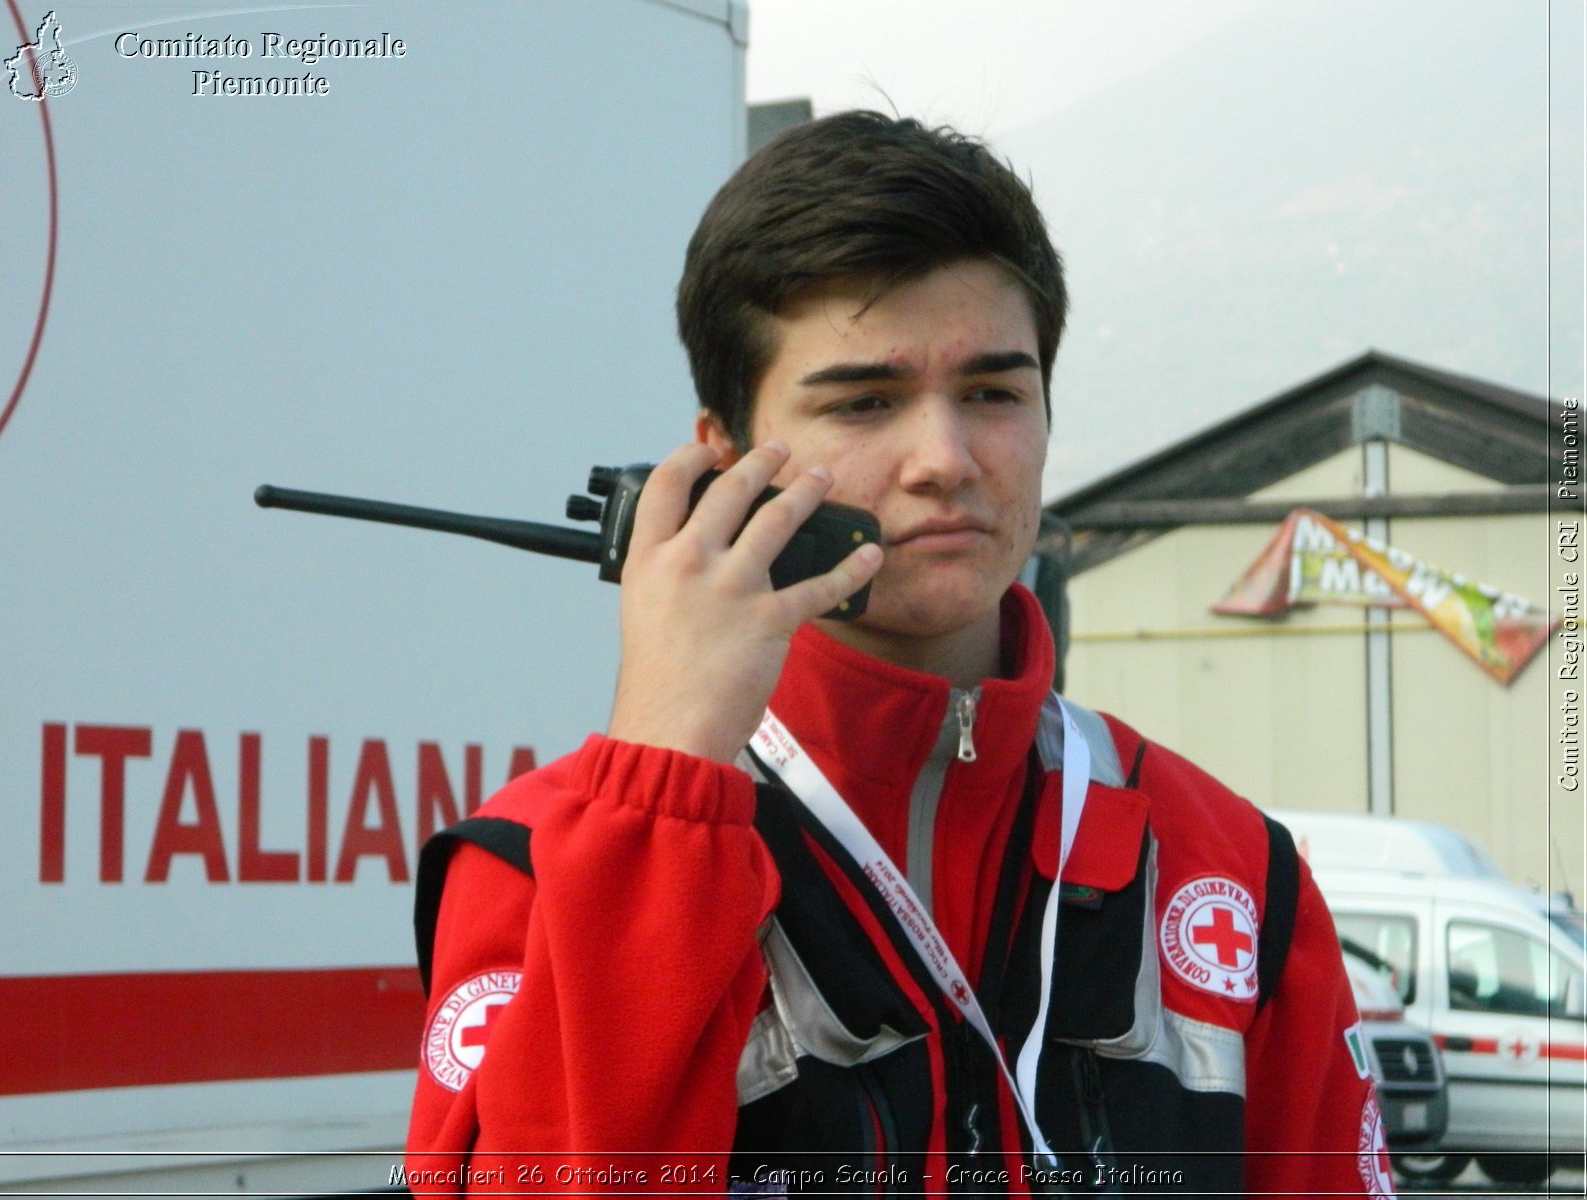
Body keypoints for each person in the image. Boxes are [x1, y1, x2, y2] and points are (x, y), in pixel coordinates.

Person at [406, 111, 1391, 1197]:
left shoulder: (1234, 866)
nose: (946, 460)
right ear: (722, 459)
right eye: (866, 402)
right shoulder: (538, 865)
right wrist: (666, 783)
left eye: (993, 393)